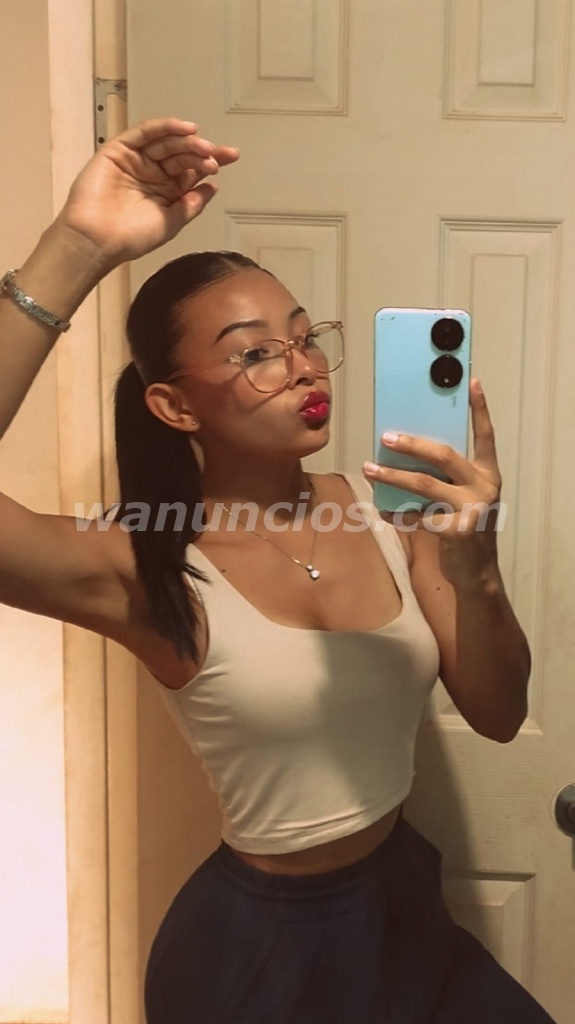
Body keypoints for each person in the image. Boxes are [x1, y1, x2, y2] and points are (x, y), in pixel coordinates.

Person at [0, 118, 556, 1024]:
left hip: (404, 908)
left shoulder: (390, 510)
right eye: (255, 352)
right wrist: (77, 247)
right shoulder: (143, 563)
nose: (302, 369)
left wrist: (478, 565)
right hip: (257, 956)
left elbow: (498, 715)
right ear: (173, 404)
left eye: (305, 338)